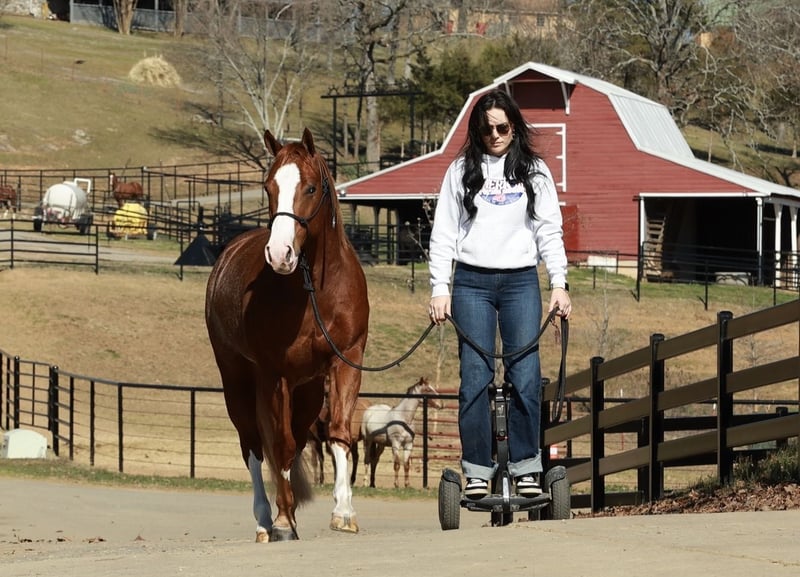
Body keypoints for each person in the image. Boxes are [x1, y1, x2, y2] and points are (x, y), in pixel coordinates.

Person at [427, 88, 572, 499]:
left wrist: (558, 284)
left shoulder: (534, 171)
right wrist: (440, 288)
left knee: (525, 375)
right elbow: (443, 232)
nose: (495, 135)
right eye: (487, 128)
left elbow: (549, 230)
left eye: (503, 127)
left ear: (514, 127)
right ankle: (477, 470)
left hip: (520, 283)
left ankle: (526, 467)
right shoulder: (460, 171)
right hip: (471, 283)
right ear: (477, 130)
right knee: (475, 377)